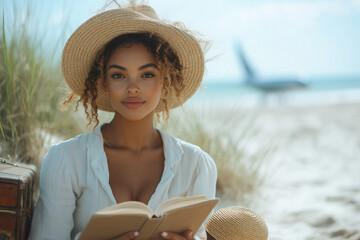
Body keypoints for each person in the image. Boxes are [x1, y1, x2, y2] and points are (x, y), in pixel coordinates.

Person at [28, 1, 217, 240]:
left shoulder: (197, 165)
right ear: (103, 82)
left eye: (147, 74)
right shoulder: (66, 161)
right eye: (119, 75)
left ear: (165, 79)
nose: (133, 88)